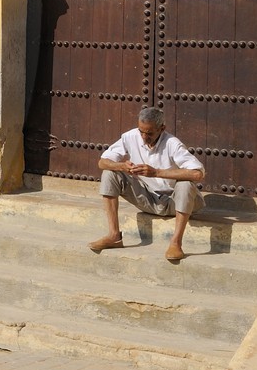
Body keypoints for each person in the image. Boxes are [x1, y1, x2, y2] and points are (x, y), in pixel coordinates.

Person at [88, 106, 207, 263]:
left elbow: (197, 174)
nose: (144, 137)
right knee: (110, 173)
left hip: (175, 201)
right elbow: (102, 162)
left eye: (149, 133)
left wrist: (157, 172)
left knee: (185, 184)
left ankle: (176, 242)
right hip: (148, 199)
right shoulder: (130, 137)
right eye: (141, 131)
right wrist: (122, 166)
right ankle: (114, 235)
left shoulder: (172, 144)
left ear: (162, 128)